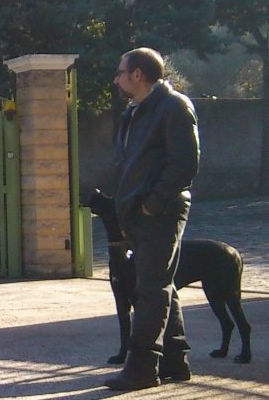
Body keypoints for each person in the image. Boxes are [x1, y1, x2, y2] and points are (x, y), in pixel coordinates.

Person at [103, 47, 200, 391]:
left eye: (120, 71)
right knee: (161, 285)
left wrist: (152, 205)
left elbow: (185, 163)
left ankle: (142, 367)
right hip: (139, 214)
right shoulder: (136, 112)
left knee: (149, 289)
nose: (116, 78)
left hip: (161, 212)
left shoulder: (174, 107)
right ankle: (175, 360)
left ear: (138, 75)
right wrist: (129, 210)